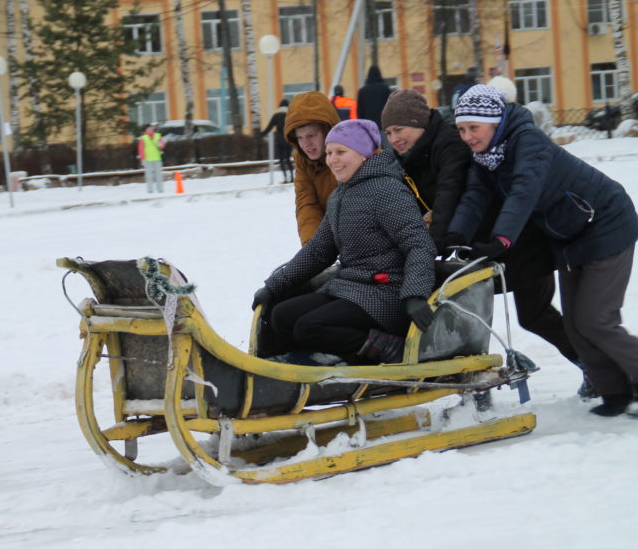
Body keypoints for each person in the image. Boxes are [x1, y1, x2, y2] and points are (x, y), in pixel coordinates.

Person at [445, 84, 638, 417]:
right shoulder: (485, 157)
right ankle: (616, 392)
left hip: (606, 222)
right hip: (569, 235)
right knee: (576, 325)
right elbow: (474, 197)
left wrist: (502, 239)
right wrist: (455, 235)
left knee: (596, 319)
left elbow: (524, 190)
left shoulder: (527, 142)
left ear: (495, 121)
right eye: (462, 129)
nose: (467, 137)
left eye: (473, 127)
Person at [382, 88, 588, 394]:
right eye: (388, 132)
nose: (394, 138)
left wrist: (431, 245)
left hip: (516, 240)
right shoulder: (408, 158)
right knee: (466, 320)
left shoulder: (450, 144)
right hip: (471, 246)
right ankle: (476, 391)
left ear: (419, 123)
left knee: (535, 315)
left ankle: (594, 367)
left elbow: (450, 194)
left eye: (399, 129)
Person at [252, 119, 436, 363]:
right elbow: (318, 251)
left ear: (364, 154)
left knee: (310, 327)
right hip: (350, 287)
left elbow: (419, 244)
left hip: (387, 293)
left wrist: (415, 294)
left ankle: (390, 348)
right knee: (282, 316)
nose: (333, 160)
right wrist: (274, 286)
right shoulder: (340, 195)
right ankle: (318, 361)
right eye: (329, 153)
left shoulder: (388, 190)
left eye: (341, 152)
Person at [283, 91, 342, 245]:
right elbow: (307, 205)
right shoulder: (303, 162)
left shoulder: (356, 150)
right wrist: (313, 248)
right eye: (300, 137)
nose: (306, 144)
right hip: (333, 240)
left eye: (311, 135)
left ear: (327, 131)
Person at [261, 98, 293, 183]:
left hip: (279, 140)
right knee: (288, 159)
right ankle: (292, 178)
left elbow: (269, 127)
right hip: (288, 139)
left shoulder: (276, 115)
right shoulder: (290, 115)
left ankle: (285, 178)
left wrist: (260, 134)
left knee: (281, 160)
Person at [356, 65, 391, 131]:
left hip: (368, 126)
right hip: (383, 125)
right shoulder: (385, 88)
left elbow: (359, 111)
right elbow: (390, 107)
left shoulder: (362, 91)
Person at [137, 123, 166, 193]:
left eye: (151, 129)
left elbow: (162, 146)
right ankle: (150, 190)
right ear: (146, 130)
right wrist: (143, 159)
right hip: (148, 159)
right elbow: (141, 149)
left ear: (153, 129)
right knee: (149, 176)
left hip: (157, 158)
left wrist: (159, 144)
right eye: (148, 129)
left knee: (159, 175)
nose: (150, 130)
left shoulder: (157, 136)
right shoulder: (143, 138)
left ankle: (160, 189)